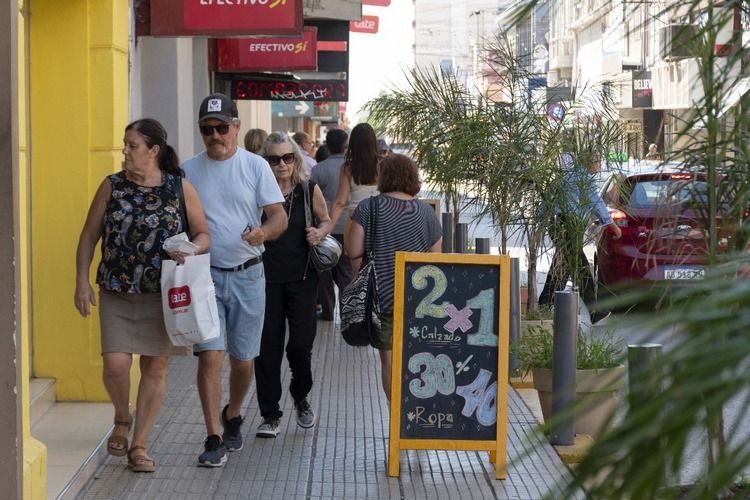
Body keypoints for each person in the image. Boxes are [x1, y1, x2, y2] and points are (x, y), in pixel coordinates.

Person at [74, 118, 211, 473]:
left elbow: (203, 233)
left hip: (161, 293)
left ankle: (139, 444)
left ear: (153, 151)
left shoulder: (179, 188)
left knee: (156, 366)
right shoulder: (112, 186)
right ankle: (122, 417)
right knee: (115, 363)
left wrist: (192, 250)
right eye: (125, 144)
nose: (125, 151)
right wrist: (81, 281)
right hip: (117, 290)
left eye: (132, 145)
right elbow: (89, 236)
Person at [182, 93, 288, 467]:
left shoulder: (256, 166)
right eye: (207, 129)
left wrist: (263, 232)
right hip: (205, 278)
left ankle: (234, 412)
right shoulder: (188, 170)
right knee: (210, 356)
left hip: (248, 276)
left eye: (222, 128)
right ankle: (213, 437)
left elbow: (279, 216)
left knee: (243, 361)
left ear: (236, 128)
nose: (215, 136)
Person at [253, 132, 333, 437]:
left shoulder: (307, 189)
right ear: (265, 162)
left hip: (302, 279)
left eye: (288, 157)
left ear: (295, 159)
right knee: (267, 348)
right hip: (265, 279)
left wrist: (320, 233)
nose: (282, 164)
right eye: (274, 159)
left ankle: (301, 396)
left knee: (301, 346)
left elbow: (325, 220)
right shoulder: (257, 192)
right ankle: (270, 414)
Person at [345, 154, 442, 399]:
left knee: (389, 363)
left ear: (383, 176)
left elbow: (353, 251)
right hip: (420, 302)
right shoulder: (426, 212)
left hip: (383, 299)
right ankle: (413, 414)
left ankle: (395, 418)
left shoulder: (368, 207)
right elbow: (436, 258)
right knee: (416, 359)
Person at [538, 153, 622, 319]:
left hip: (557, 224)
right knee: (579, 265)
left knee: (563, 263)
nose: (599, 167)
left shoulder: (563, 177)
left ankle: (546, 302)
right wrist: (612, 225)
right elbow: (596, 203)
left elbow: (546, 201)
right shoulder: (583, 179)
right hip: (569, 225)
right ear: (589, 162)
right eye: (597, 162)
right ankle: (593, 310)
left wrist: (541, 222)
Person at [310, 129, 352, 321]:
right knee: (346, 272)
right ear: (345, 145)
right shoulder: (352, 167)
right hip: (348, 227)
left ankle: (327, 310)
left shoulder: (318, 169)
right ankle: (348, 312)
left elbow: (311, 200)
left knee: (324, 271)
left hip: (324, 228)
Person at [329, 122, 380, 244]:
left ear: (352, 144)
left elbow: (340, 203)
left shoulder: (348, 168)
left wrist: (326, 230)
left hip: (355, 220)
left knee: (354, 258)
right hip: (381, 219)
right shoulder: (384, 165)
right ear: (373, 142)